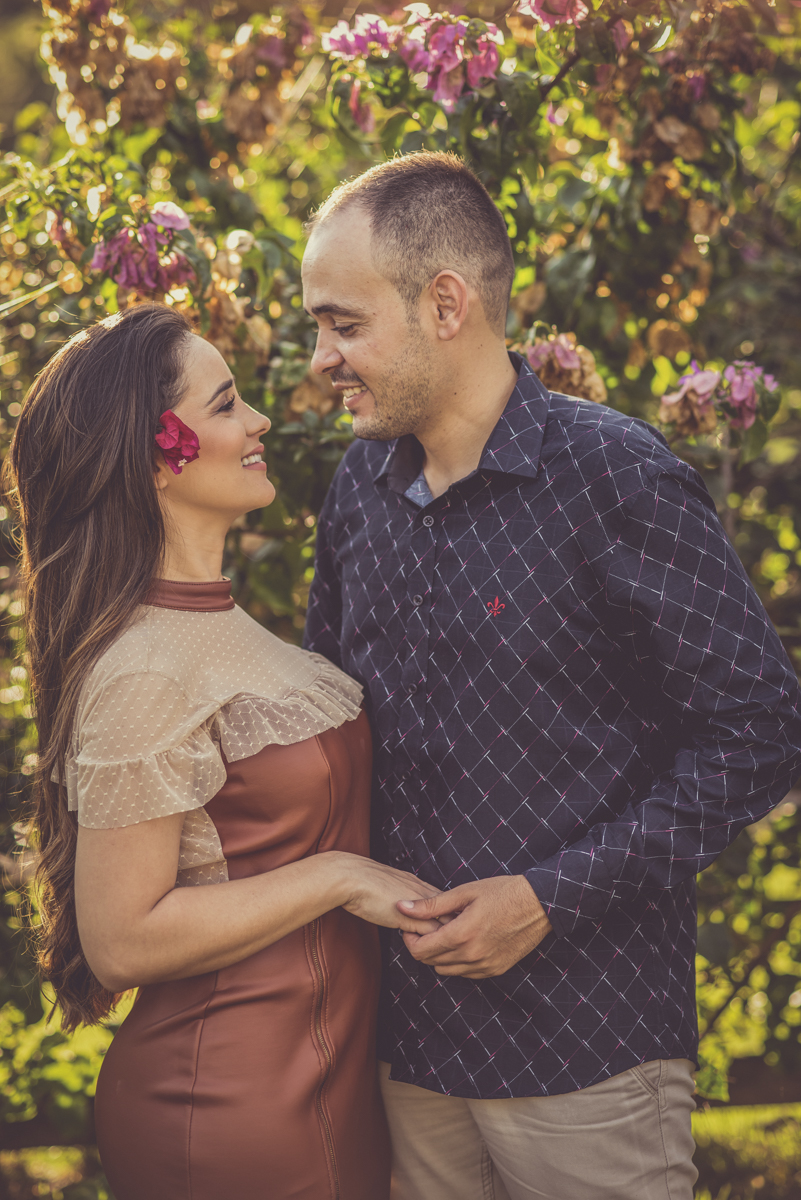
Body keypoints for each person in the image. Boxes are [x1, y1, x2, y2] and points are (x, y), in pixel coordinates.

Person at [301, 150, 801, 1200]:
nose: (320, 359)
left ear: (446, 304)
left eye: (344, 325)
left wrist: (547, 897)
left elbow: (759, 732)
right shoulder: (358, 487)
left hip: (589, 1058)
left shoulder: (618, 479)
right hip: (409, 1056)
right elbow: (333, 724)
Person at [4, 302, 444, 1200]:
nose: (259, 422)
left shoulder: (233, 628)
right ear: (154, 455)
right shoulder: (143, 669)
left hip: (335, 1078)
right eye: (227, 404)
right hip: (225, 1100)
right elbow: (122, 940)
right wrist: (341, 878)